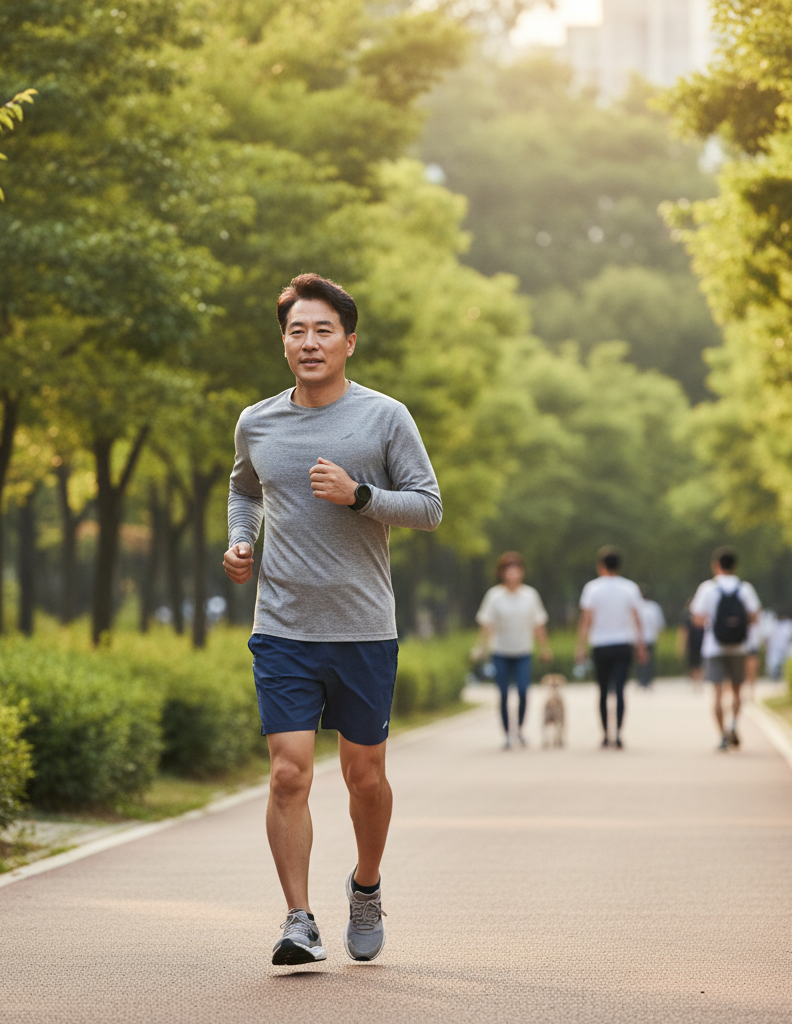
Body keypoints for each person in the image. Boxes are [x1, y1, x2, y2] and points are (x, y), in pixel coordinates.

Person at [224, 273, 441, 967]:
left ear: (348, 341)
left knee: (364, 776)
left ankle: (367, 885)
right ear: (283, 342)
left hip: (363, 628)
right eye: (296, 330)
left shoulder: (384, 417)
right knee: (289, 774)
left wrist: (361, 496)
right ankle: (298, 919)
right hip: (283, 626)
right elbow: (243, 488)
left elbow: (428, 506)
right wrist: (241, 541)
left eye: (323, 330)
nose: (309, 342)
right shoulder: (257, 420)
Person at [475, 551, 553, 748]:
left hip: (523, 651)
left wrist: (545, 648)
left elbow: (538, 625)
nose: (512, 574)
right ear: (502, 573)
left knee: (523, 692)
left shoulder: (530, 595)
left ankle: (518, 729)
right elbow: (487, 625)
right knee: (502, 694)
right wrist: (480, 647)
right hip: (500, 651)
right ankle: (507, 734)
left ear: (522, 572)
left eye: (516, 570)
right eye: (508, 570)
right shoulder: (494, 596)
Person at [689, 546, 761, 750]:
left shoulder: (707, 588)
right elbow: (755, 616)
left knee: (718, 693)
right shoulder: (745, 588)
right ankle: (733, 725)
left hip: (714, 647)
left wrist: (716, 623)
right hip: (740, 647)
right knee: (738, 691)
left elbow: (697, 619)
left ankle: (722, 735)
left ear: (716, 566)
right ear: (735, 566)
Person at [575, 547, 646, 749]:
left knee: (604, 691)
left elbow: (586, 620)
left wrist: (580, 646)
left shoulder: (592, 588)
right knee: (621, 690)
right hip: (623, 643)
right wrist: (641, 645)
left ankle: (606, 734)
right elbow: (636, 618)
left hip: (600, 644)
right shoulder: (630, 588)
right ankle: (619, 733)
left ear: (601, 566)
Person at [636, 584, 666, 688]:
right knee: (649, 661)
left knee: (640, 660)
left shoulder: (637, 606)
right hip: (651, 637)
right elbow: (659, 623)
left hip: (638, 638)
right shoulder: (654, 607)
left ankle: (641, 680)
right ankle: (648, 680)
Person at [678, 599, 705, 691]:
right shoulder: (690, 617)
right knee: (695, 663)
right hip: (696, 642)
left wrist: (681, 645)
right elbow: (684, 632)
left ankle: (697, 681)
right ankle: (696, 681)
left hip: (698, 642)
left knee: (697, 663)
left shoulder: (698, 616)